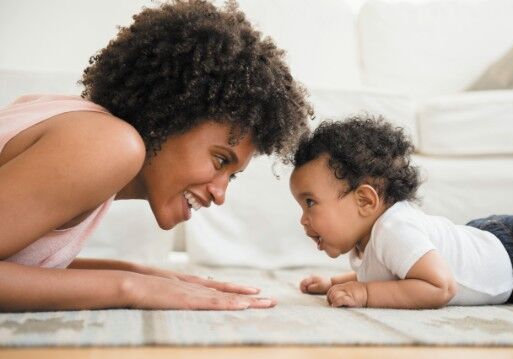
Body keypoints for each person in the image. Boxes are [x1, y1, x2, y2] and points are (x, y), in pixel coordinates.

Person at [0, 0, 312, 311]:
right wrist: (131, 288)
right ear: (171, 114)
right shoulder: (108, 145)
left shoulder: (83, 129)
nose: (220, 194)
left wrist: (140, 274)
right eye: (220, 160)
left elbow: (21, 260)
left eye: (232, 175)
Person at [289, 116, 513, 309]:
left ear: (365, 201)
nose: (302, 219)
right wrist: (335, 283)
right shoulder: (367, 240)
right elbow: (387, 271)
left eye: (310, 202)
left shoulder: (393, 229)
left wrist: (365, 293)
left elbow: (441, 286)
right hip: (492, 243)